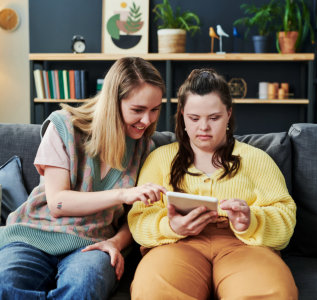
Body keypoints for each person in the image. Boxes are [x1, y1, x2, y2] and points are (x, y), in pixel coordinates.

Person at [0, 57, 166, 300]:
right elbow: (57, 202)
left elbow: (137, 216)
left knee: (84, 286)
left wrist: (116, 244)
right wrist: (121, 194)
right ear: (112, 102)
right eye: (137, 110)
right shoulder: (64, 126)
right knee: (6, 283)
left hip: (93, 244)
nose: (147, 121)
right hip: (33, 234)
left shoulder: (144, 148)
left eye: (154, 110)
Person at [128, 68, 298, 299]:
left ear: (228, 114)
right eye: (194, 118)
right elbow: (138, 218)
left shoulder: (257, 159)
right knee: (153, 291)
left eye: (214, 118)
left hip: (243, 246)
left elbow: (286, 218)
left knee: (271, 292)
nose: (204, 128)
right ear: (182, 116)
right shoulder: (159, 159)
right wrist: (172, 227)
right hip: (176, 245)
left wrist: (251, 221)